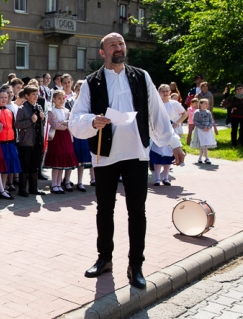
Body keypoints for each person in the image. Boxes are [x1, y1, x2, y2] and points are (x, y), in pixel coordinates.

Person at [68, 33, 184, 290]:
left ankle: (136, 265)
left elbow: (156, 113)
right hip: (105, 155)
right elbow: (75, 120)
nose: (119, 48)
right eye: (113, 45)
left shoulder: (141, 76)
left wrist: (174, 143)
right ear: (102, 52)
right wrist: (91, 121)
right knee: (104, 210)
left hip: (136, 153)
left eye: (121, 43)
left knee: (137, 211)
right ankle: (104, 259)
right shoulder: (91, 83)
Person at [149, 84, 187, 186]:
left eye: (167, 91)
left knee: (167, 154)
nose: (165, 93)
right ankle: (157, 178)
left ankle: (165, 178)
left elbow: (185, 114)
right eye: (163, 91)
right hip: (157, 131)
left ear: (170, 92)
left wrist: (176, 123)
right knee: (157, 154)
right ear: (159, 93)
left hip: (169, 131)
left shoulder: (174, 104)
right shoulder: (156, 104)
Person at [15, 86, 46, 196]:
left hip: (37, 141)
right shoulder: (22, 108)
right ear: (26, 96)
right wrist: (30, 121)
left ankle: (34, 188)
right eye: (33, 94)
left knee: (35, 165)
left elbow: (41, 124)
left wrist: (43, 119)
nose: (35, 96)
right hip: (26, 142)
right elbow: (17, 124)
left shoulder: (39, 107)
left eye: (36, 94)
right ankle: (22, 189)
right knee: (25, 165)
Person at [45, 90, 78, 194]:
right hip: (56, 137)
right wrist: (64, 124)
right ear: (54, 99)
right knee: (57, 160)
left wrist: (64, 123)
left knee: (63, 160)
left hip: (66, 137)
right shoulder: (51, 111)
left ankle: (59, 184)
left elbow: (71, 122)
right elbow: (54, 124)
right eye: (59, 98)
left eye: (63, 98)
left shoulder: (66, 110)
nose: (61, 100)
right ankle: (54, 184)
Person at [0, 89, 22, 195]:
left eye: (5, 97)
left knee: (8, 164)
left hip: (10, 141)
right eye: (1, 97)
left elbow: (13, 126)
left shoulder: (9, 111)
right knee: (1, 164)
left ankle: (3, 185)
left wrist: (15, 140)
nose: (4, 99)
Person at [71, 80, 94, 190]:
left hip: (87, 133)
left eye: (82, 90)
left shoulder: (89, 102)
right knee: (76, 156)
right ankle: (73, 181)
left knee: (88, 156)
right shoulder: (71, 101)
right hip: (76, 133)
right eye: (78, 89)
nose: (80, 92)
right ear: (75, 90)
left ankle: (90, 179)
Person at [191, 98, 218, 164]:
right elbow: (195, 121)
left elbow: (211, 120)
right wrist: (202, 127)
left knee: (204, 145)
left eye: (207, 104)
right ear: (200, 104)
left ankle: (201, 158)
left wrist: (209, 126)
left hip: (207, 131)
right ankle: (206, 158)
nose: (207, 105)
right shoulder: (197, 112)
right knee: (203, 145)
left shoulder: (208, 112)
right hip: (200, 130)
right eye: (205, 103)